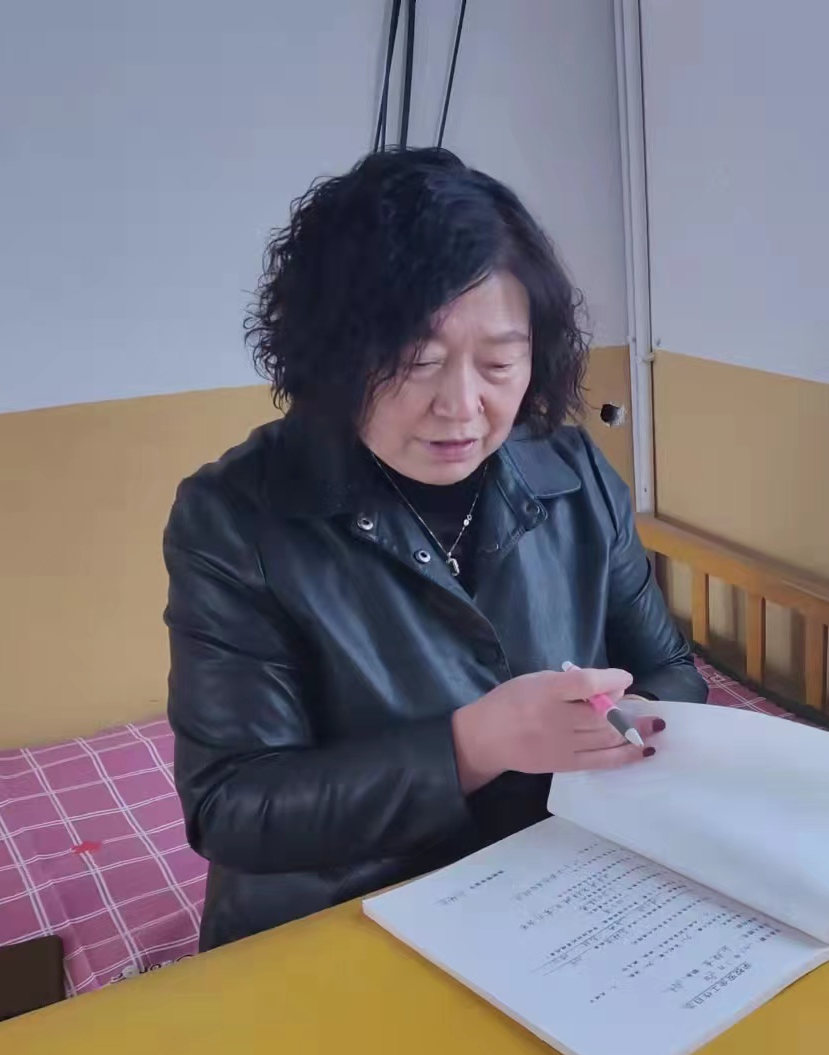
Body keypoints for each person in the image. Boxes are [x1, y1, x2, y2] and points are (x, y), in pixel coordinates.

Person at [163, 147, 706, 949]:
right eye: (415, 362)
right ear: (335, 354)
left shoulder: (576, 474)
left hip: (554, 888)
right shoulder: (236, 518)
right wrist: (475, 744)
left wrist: (623, 726)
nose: (462, 406)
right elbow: (233, 807)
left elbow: (672, 673)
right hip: (338, 925)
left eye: (499, 363)